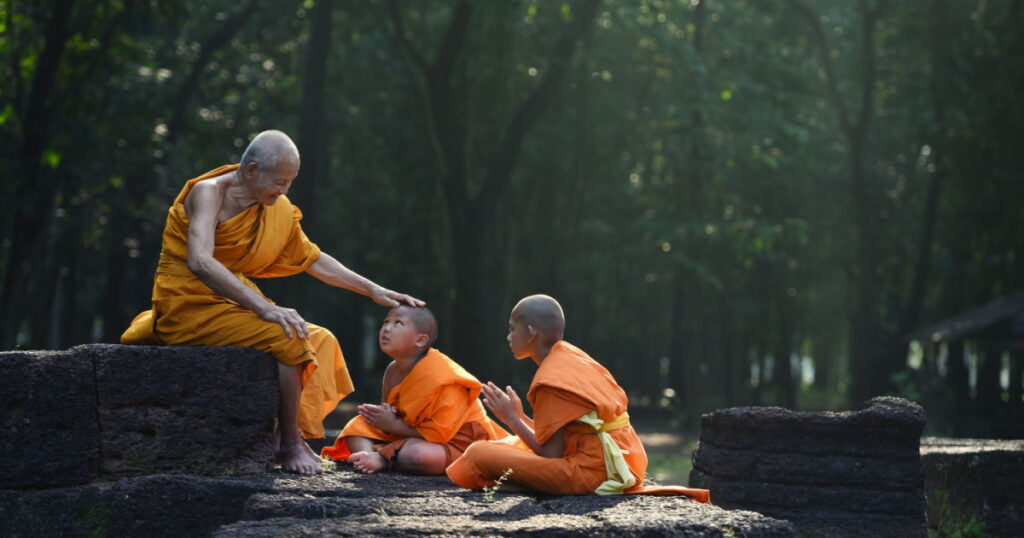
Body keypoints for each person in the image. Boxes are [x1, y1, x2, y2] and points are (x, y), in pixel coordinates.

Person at [121, 130, 423, 476]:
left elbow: (311, 258)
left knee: (321, 339)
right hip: (188, 303)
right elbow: (200, 261)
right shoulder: (209, 193)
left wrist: (371, 289)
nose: (283, 192)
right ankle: (294, 444)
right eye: (279, 182)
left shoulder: (273, 207)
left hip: (233, 299)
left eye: (289, 183)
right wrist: (265, 308)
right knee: (290, 336)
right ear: (251, 171)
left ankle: (282, 437)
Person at [446, 294, 710, 501]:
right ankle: (525, 481)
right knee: (509, 443)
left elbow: (550, 454)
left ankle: (529, 484)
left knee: (479, 452)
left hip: (594, 473)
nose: (508, 336)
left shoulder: (549, 379)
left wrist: (512, 418)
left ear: (531, 333)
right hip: (627, 460)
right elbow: (564, 432)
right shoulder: (573, 357)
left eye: (512, 329)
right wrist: (521, 416)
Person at [321, 305, 508, 475]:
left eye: (398, 323)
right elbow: (391, 413)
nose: (386, 328)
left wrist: (392, 425)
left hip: (457, 444)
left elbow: (439, 434)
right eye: (386, 321)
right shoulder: (393, 370)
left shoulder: (443, 378)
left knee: (417, 455)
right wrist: (383, 416)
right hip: (410, 433)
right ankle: (368, 456)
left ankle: (383, 459)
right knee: (357, 426)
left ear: (420, 340)